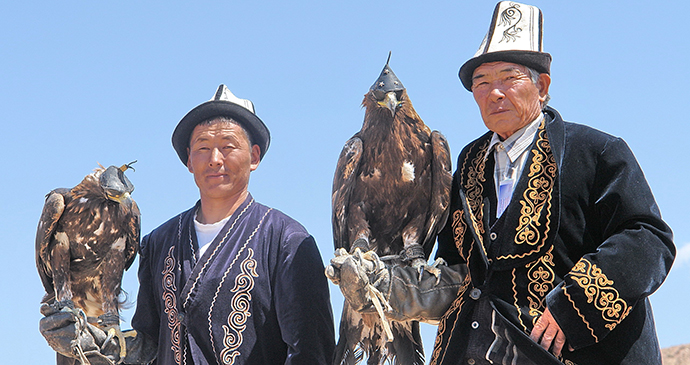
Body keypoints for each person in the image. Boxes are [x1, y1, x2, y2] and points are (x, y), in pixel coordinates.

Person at [327, 2, 675, 364]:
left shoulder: (597, 152)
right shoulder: (468, 165)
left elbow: (648, 239)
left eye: (509, 78)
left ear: (542, 86)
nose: (495, 93)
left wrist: (572, 306)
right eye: (482, 83)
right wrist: (391, 288)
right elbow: (457, 270)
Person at [40, 84, 335, 364]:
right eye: (203, 148)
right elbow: (149, 344)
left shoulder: (286, 240)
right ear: (189, 162)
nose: (215, 159)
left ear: (254, 156)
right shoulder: (159, 242)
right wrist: (98, 344)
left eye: (228, 146)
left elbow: (312, 352)